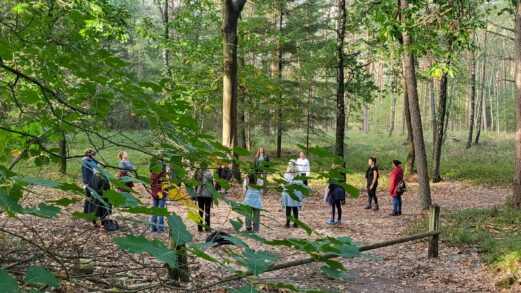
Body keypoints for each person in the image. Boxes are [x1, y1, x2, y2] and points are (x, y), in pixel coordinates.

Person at [281, 160, 304, 228]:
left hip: (289, 192)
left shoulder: (287, 175)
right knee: (295, 208)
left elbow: (283, 184)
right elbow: (301, 184)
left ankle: (287, 223)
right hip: (296, 192)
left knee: (288, 207)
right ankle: (296, 224)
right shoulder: (299, 175)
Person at [81, 148, 98, 225]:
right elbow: (86, 174)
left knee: (93, 197)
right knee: (89, 198)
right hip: (89, 183)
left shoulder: (93, 161)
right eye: (93, 154)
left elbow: (95, 170)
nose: (95, 155)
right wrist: (86, 183)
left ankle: (92, 213)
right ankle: (87, 214)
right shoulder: (86, 161)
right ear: (89, 154)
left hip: (94, 181)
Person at [150, 161, 167, 232]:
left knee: (155, 211)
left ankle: (153, 227)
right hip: (161, 194)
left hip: (154, 193)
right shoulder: (163, 175)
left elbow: (151, 184)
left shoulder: (152, 175)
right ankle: (160, 228)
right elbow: (165, 186)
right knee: (161, 212)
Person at [195, 166, 213, 232]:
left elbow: (196, 181)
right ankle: (207, 228)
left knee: (200, 211)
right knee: (207, 212)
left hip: (200, 194)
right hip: (208, 195)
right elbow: (212, 184)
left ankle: (200, 228)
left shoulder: (199, 172)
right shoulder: (209, 173)